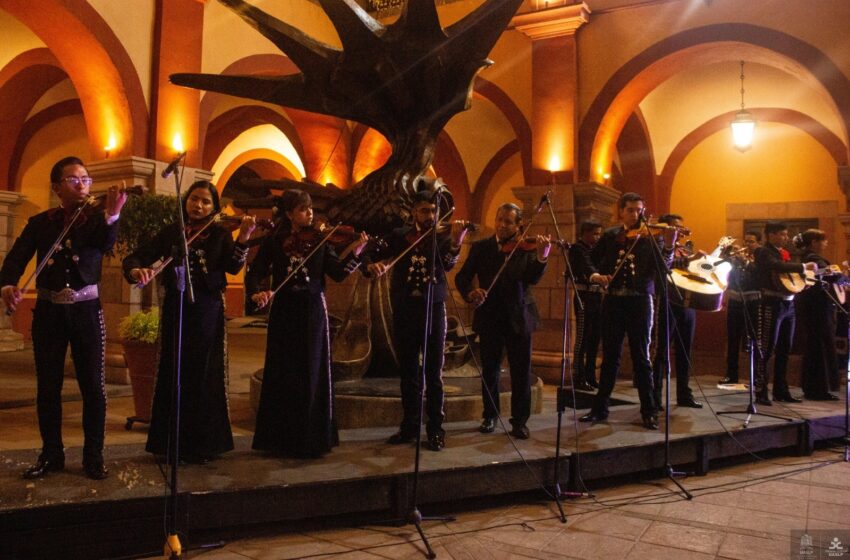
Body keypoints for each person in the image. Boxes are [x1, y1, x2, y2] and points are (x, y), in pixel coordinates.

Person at [0, 156, 127, 480]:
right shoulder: (42, 223)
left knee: (93, 388)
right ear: (57, 187)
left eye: (86, 179)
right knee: (48, 388)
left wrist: (112, 214)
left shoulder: (98, 220)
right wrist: (8, 284)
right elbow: (16, 258)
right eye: (74, 179)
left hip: (86, 311)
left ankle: (93, 456)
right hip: (49, 313)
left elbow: (105, 242)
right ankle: (51, 455)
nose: (82, 184)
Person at [122, 180, 256, 463]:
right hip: (176, 306)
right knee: (175, 370)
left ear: (214, 207)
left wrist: (244, 238)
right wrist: (136, 270)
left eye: (206, 202)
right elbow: (138, 255)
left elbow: (233, 266)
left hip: (207, 310)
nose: (199, 206)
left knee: (203, 373)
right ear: (186, 200)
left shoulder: (219, 233)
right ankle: (172, 443)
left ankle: (203, 444)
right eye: (195, 199)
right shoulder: (173, 232)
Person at [247, 189, 367, 458]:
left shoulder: (321, 240)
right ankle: (280, 438)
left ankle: (311, 438)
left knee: (312, 370)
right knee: (283, 370)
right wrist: (256, 291)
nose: (310, 213)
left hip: (313, 311)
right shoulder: (274, 241)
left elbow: (337, 273)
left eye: (311, 208)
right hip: (284, 311)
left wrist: (356, 252)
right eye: (303, 209)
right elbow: (256, 273)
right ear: (289, 213)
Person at [366, 188, 468, 451]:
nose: (430, 215)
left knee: (434, 373)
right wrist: (371, 264)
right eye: (424, 210)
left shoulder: (442, 237)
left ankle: (435, 428)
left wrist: (456, 243)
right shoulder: (400, 236)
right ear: (413, 211)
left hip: (433, 309)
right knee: (409, 371)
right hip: (405, 309)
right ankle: (409, 426)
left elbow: (447, 264)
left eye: (433, 211)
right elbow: (371, 252)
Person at [579, 192, 676, 430]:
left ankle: (649, 411)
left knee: (641, 357)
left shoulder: (652, 237)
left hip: (640, 301)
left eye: (640, 210)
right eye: (631, 210)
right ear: (621, 211)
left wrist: (670, 246)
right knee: (610, 356)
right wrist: (595, 275)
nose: (636, 214)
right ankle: (600, 409)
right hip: (613, 301)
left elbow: (664, 267)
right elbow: (587, 258)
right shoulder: (611, 235)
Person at [455, 203, 551, 439]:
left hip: (519, 316)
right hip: (490, 316)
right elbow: (462, 277)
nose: (502, 225)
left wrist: (541, 257)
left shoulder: (526, 248)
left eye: (508, 221)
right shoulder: (481, 247)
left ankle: (520, 421)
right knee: (490, 370)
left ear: (519, 225)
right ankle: (490, 415)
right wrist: (471, 293)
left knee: (521, 372)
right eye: (499, 219)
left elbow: (532, 278)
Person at [751, 221, 817, 405]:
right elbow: (776, 266)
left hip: (788, 305)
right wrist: (803, 267)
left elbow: (786, 272)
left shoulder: (782, 253)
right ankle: (761, 390)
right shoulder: (763, 251)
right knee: (767, 348)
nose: (786, 237)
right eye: (782, 234)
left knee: (784, 350)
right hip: (771, 303)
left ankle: (781, 390)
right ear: (771, 235)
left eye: (786, 234)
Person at [651, 213, 703, 409]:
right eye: (675, 226)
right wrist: (691, 259)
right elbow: (665, 265)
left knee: (685, 350)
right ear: (666, 227)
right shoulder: (657, 244)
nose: (680, 230)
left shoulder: (684, 248)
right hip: (666, 301)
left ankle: (684, 394)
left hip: (687, 302)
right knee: (661, 351)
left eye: (681, 226)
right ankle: (655, 396)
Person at [794, 229, 841, 401]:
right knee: (819, 347)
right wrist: (839, 276)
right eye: (823, 240)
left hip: (814, 309)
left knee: (816, 347)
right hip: (817, 310)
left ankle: (816, 388)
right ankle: (817, 389)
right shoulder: (813, 259)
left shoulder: (809, 257)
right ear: (814, 242)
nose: (826, 243)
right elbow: (828, 277)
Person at [721, 231, 761, 384]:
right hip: (735, 300)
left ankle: (757, 376)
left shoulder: (760, 257)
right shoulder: (735, 258)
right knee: (733, 339)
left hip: (753, 301)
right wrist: (726, 252)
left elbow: (758, 274)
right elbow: (721, 267)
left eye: (751, 242)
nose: (747, 245)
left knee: (755, 339)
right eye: (746, 242)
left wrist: (744, 261)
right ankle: (731, 375)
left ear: (758, 243)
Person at [568, 221, 604, 391]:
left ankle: (591, 375)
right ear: (585, 233)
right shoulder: (577, 248)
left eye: (599, 234)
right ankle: (579, 377)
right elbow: (587, 266)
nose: (597, 237)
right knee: (582, 338)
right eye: (595, 234)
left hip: (597, 296)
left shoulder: (597, 250)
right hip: (584, 296)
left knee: (595, 338)